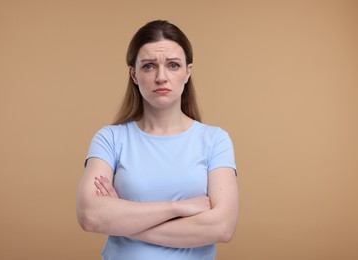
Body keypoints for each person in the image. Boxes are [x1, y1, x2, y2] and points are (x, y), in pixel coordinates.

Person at [76, 20, 239, 260]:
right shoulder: (110, 138)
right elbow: (90, 215)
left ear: (187, 72)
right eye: (149, 66)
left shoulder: (215, 140)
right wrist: (179, 208)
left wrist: (123, 221)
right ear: (134, 74)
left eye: (173, 65)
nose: (161, 77)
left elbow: (222, 228)